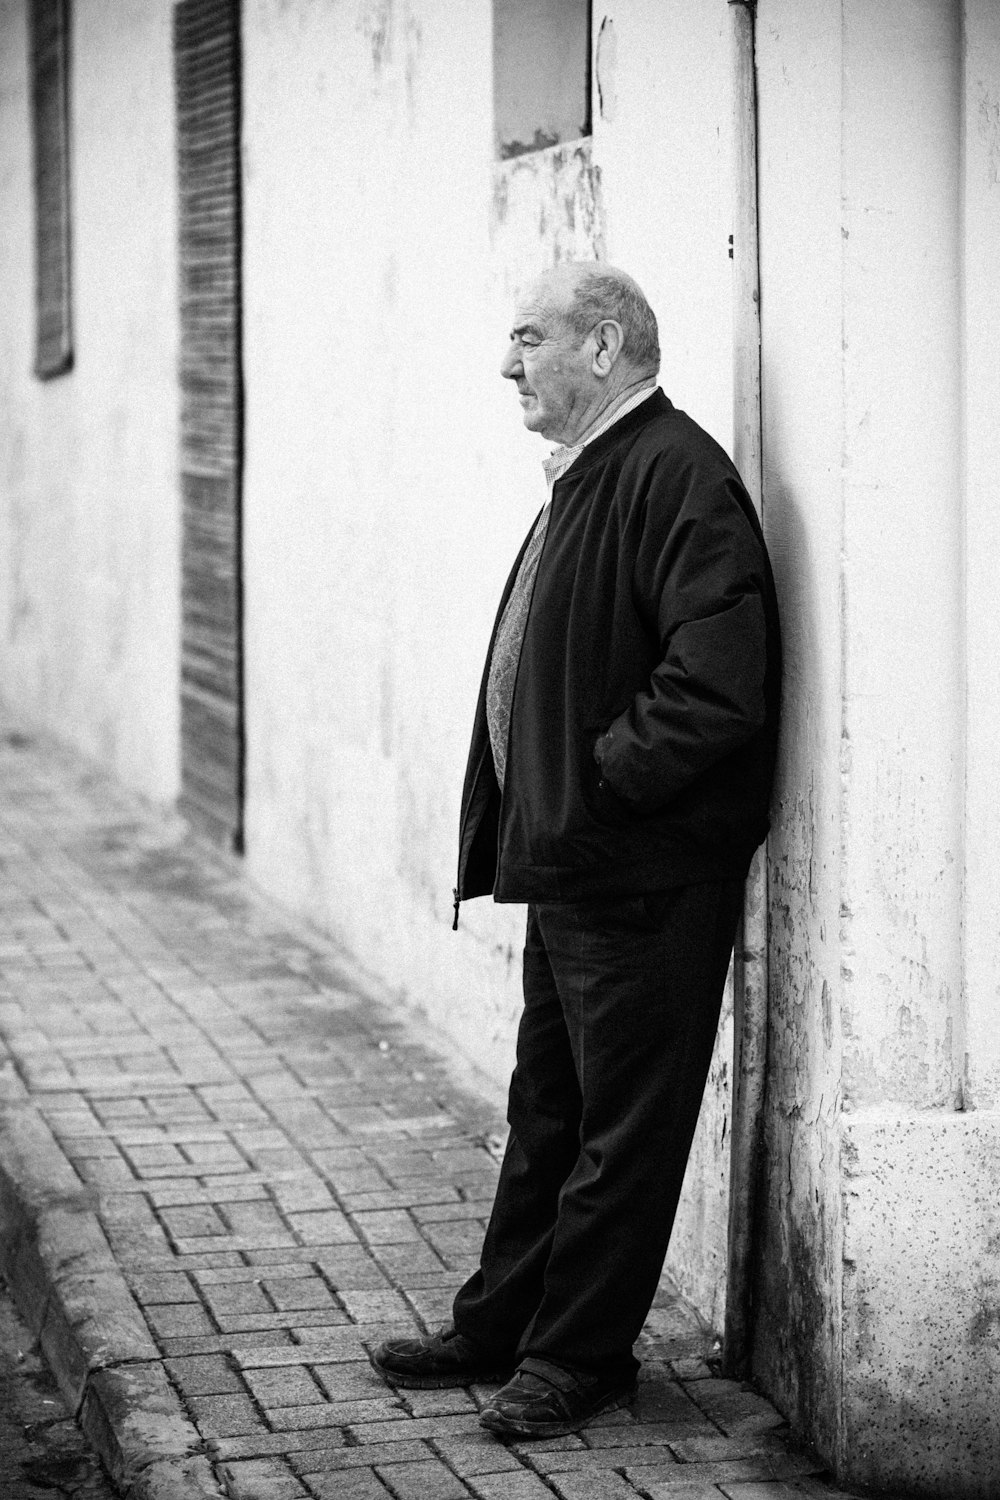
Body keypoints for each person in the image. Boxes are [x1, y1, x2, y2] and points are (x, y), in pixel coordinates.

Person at [374, 261, 781, 1440]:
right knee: (549, 1111)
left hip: (638, 873)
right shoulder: (599, 473)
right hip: (578, 867)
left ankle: (578, 1358)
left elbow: (717, 686)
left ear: (603, 348)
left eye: (528, 339)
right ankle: (498, 1325)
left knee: (620, 1131)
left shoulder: (676, 476)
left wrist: (599, 790)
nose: (508, 365)